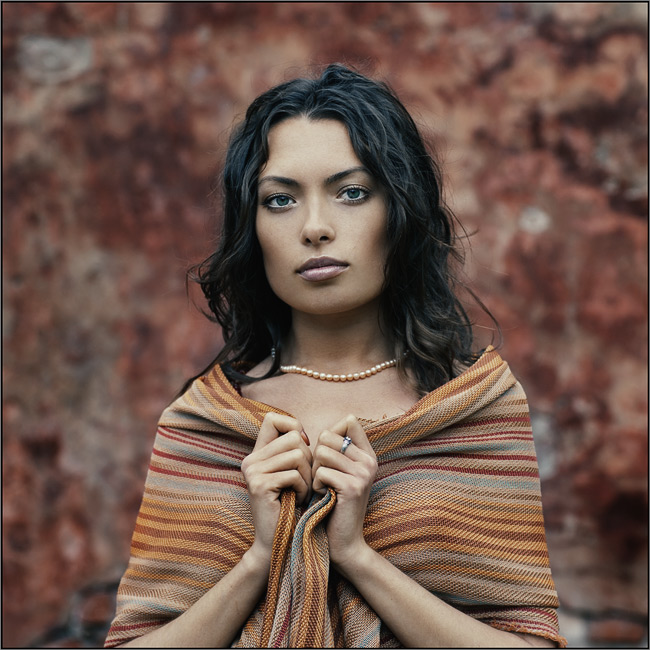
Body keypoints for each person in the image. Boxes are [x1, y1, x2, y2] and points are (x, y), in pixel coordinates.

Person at [105, 64, 565, 648]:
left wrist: (357, 555)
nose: (316, 228)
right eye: (279, 200)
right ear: (252, 229)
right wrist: (258, 560)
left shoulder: (473, 412)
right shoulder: (203, 426)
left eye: (352, 193)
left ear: (400, 214)